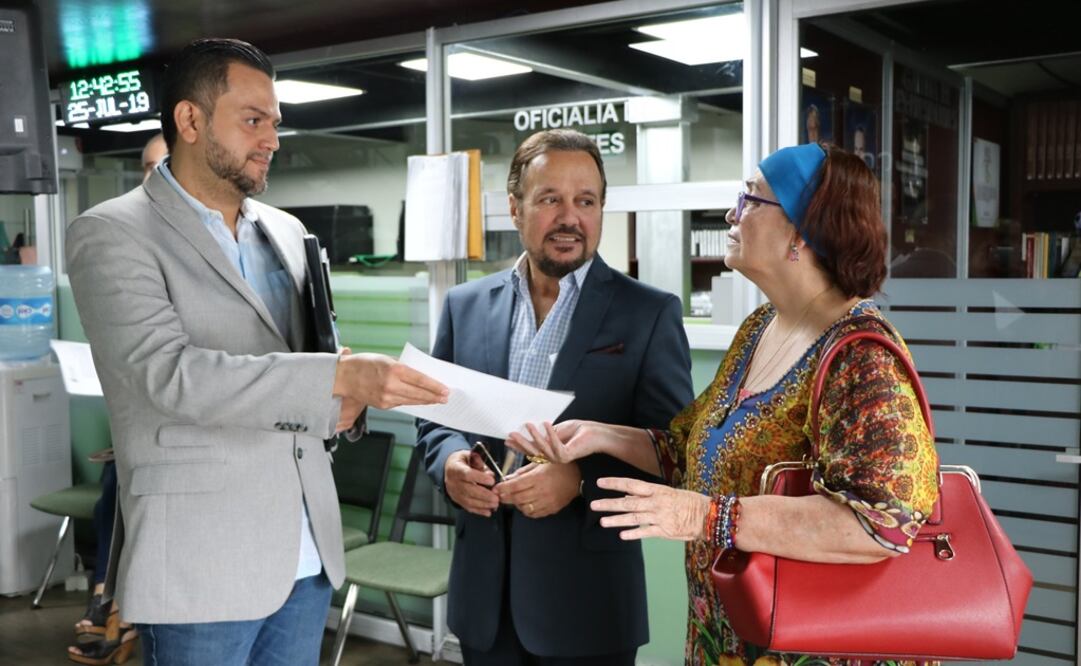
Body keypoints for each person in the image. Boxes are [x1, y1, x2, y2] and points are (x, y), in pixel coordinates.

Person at [66, 38, 447, 666]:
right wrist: (337, 377)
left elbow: (304, 359)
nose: (272, 137)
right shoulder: (112, 233)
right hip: (200, 561)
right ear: (190, 120)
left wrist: (344, 398)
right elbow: (170, 376)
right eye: (253, 120)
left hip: (304, 553)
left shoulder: (288, 231)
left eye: (274, 121)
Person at [509, 143, 940, 666]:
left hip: (812, 647)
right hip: (729, 638)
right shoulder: (760, 329)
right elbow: (689, 448)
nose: (733, 213)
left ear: (803, 232)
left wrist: (705, 516)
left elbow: (880, 525)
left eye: (752, 199)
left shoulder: (861, 356)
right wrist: (603, 434)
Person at [417, 128, 693, 666]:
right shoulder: (464, 305)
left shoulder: (648, 313)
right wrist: (449, 463)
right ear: (515, 208)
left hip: (589, 609)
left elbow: (672, 453)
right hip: (484, 604)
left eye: (585, 201)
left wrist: (580, 481)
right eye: (550, 200)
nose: (570, 217)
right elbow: (435, 417)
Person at [67, 133, 170, 665]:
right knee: (115, 486)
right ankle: (112, 601)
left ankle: (116, 606)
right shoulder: (114, 237)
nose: (156, 177)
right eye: (149, 167)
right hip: (143, 430)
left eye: (166, 165)